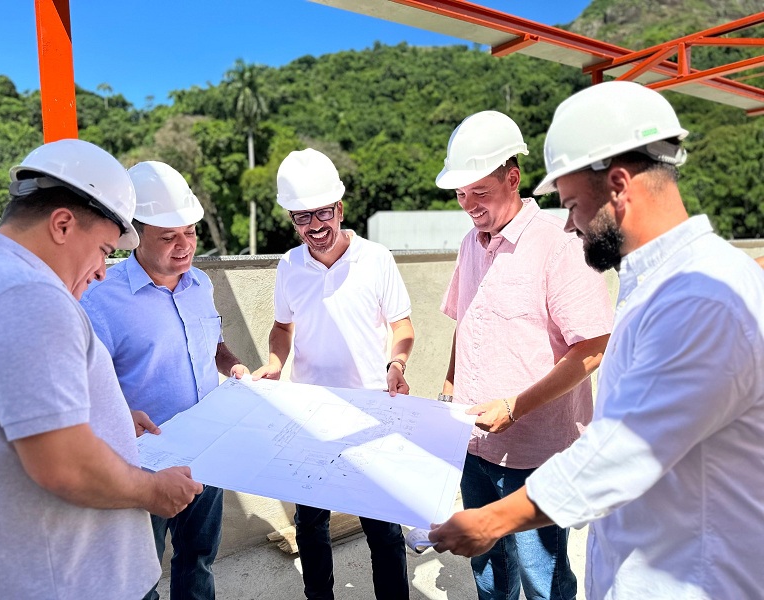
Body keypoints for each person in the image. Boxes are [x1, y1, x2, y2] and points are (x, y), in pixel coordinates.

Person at [429, 81, 764, 599]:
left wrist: (490, 521)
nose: (569, 223)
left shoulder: (700, 299)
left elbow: (620, 454)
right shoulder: (659, 283)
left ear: (618, 184)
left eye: (571, 204)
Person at [0, 139, 202, 599]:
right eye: (103, 250)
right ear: (63, 224)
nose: (102, 272)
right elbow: (64, 464)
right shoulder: (29, 295)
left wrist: (107, 418)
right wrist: (154, 491)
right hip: (75, 583)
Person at [434, 111, 613, 600]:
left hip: (537, 456)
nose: (467, 205)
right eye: (460, 193)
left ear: (512, 178)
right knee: (489, 574)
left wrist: (515, 406)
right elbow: (464, 320)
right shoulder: (471, 243)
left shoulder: (561, 246)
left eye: (479, 192)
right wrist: (450, 383)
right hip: (474, 445)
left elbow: (592, 350)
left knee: (543, 579)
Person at [251, 148, 415, 600]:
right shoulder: (289, 266)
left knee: (382, 528)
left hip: (369, 412)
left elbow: (402, 325)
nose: (315, 225)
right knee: (310, 525)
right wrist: (275, 364)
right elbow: (283, 327)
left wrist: (396, 365)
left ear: (340, 208)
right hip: (312, 413)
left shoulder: (376, 259)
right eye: (302, 217)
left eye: (323, 212)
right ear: (291, 218)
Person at [81, 160, 248, 600]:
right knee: (139, 580)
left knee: (198, 560)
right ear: (134, 237)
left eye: (190, 232)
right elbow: (82, 382)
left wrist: (232, 366)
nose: (184, 246)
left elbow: (213, 344)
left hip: (205, 455)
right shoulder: (99, 295)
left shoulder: (201, 285)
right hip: (141, 465)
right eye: (169, 236)